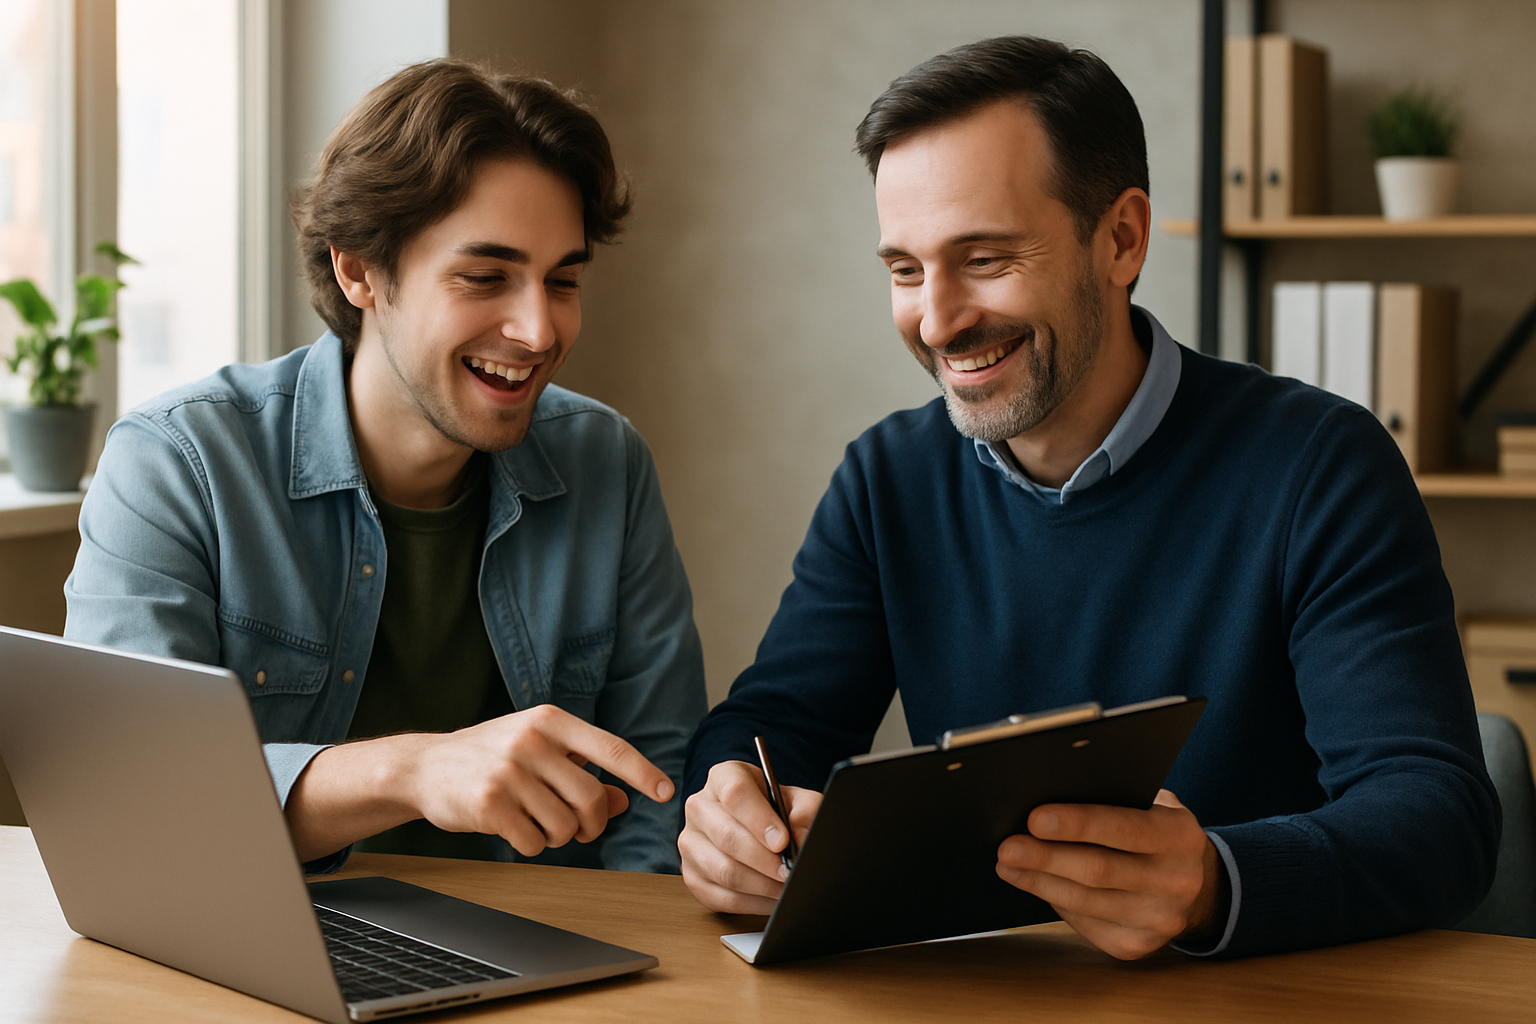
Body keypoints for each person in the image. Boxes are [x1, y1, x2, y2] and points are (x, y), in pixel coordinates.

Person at [679, 36, 1499, 958]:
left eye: (983, 258)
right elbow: (770, 727)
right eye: (905, 270)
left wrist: (1212, 885)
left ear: (1121, 238)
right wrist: (726, 808)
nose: (937, 320)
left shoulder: (1320, 466)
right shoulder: (886, 479)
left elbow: (1440, 819)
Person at [65, 59, 706, 875]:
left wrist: (634, 968)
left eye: (564, 280)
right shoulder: (178, 463)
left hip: (555, 962)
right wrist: (410, 771)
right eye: (486, 277)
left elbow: (659, 780)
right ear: (359, 269)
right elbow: (128, 792)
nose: (540, 330)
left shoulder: (606, 461)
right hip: (266, 949)